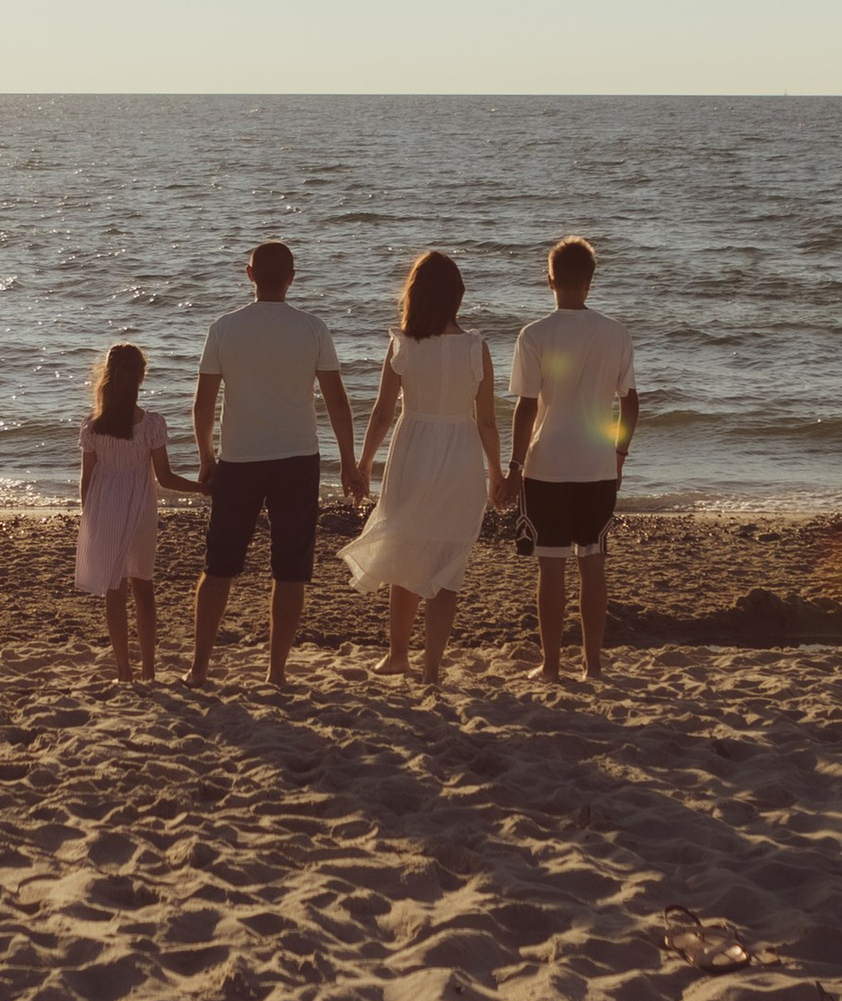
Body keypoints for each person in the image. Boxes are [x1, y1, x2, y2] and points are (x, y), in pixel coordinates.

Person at [189, 241, 364, 688]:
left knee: (219, 566)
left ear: (249, 274)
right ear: (292, 276)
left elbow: (203, 401)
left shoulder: (224, 328)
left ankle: (199, 669)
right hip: (296, 460)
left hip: (240, 459)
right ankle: (277, 673)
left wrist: (206, 457)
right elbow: (337, 401)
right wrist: (350, 462)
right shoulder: (313, 328)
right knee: (290, 569)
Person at [340, 249, 508, 686]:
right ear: (458, 296)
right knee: (448, 561)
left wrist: (363, 463)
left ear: (413, 295)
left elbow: (380, 413)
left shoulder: (402, 344)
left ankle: (398, 655)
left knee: (404, 547)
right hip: (461, 454)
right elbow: (487, 421)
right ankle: (431, 668)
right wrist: (498, 474)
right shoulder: (477, 347)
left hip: (413, 449)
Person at [505, 235, 640, 682]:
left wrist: (515, 465)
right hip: (597, 463)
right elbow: (631, 404)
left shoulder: (534, 334)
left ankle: (551, 665)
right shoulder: (615, 332)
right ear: (591, 281)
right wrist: (618, 455)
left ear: (550, 280)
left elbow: (526, 407)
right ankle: (594, 665)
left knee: (551, 566)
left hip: (547, 464)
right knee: (593, 562)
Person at [76, 343, 206, 682]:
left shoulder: (93, 426)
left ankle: (124, 672)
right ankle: (149, 671)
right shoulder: (151, 424)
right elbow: (165, 477)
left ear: (106, 377)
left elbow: (86, 481)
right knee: (143, 587)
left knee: (114, 589)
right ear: (141, 377)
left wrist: (89, 518)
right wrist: (203, 488)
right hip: (141, 508)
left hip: (103, 507)